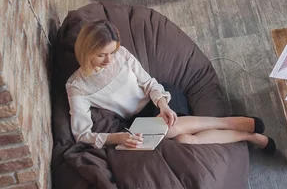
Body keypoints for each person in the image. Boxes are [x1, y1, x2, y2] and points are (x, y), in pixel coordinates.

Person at [66, 20, 276, 153]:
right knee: (184, 141)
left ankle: (228, 123)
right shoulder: (77, 87)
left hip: (161, 99)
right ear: (86, 51)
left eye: (112, 52)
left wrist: (164, 105)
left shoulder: (122, 55)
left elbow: (149, 83)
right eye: (102, 55)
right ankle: (248, 136)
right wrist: (117, 138)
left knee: (169, 129)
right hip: (138, 121)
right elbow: (82, 134)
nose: (109, 60)